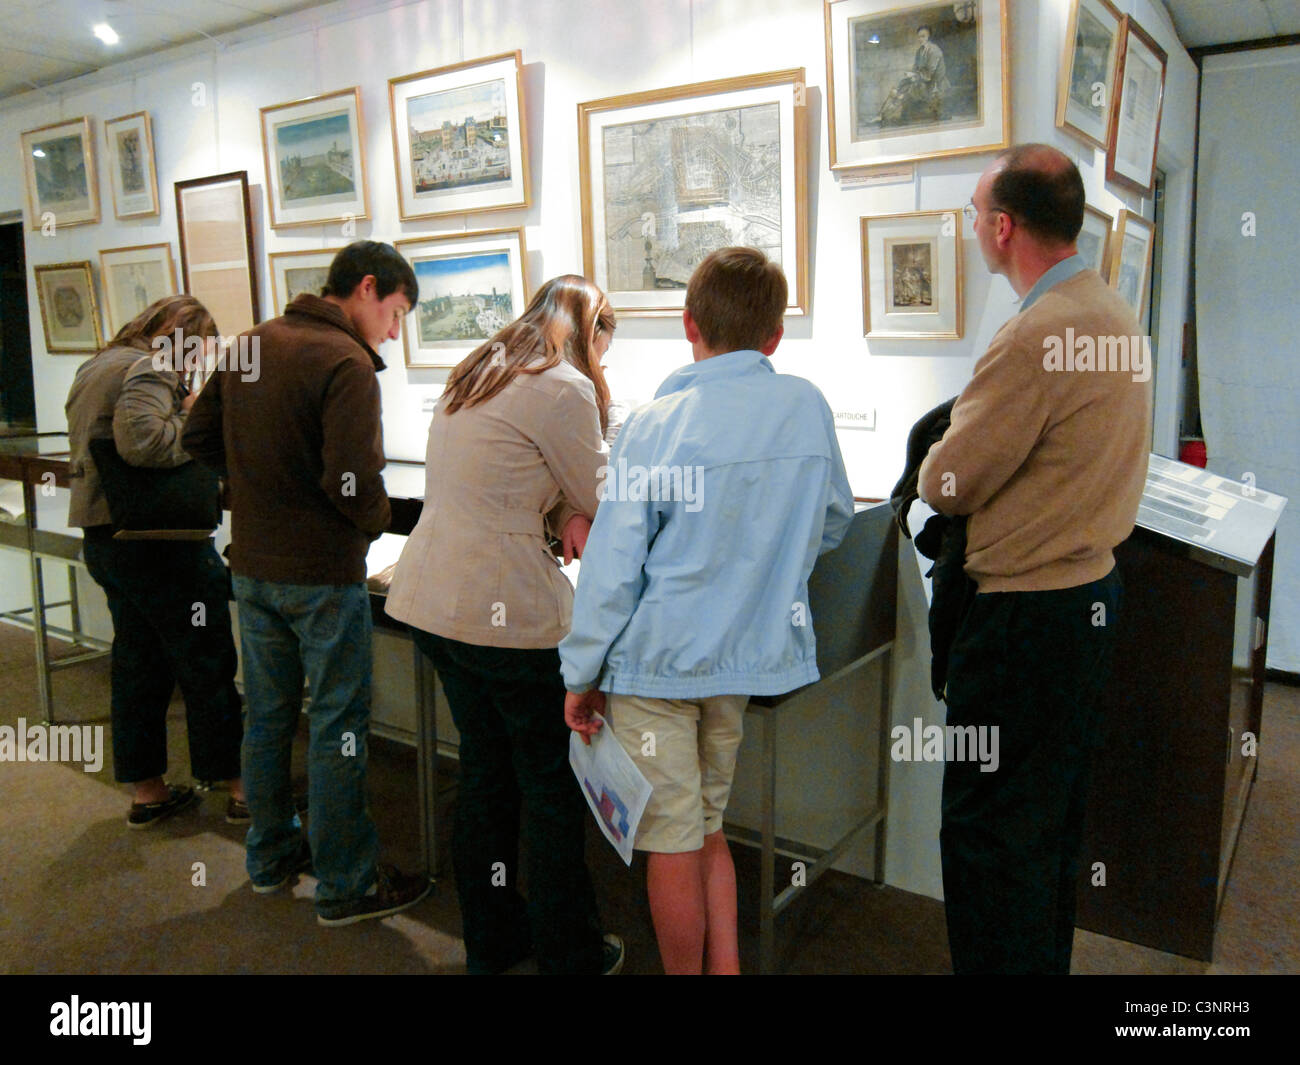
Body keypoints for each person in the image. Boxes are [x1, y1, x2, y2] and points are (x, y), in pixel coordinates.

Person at [561, 247, 855, 974]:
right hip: (741, 661)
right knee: (710, 826)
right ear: (775, 335)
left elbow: (612, 570)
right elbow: (834, 519)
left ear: (689, 322)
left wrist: (580, 673)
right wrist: (765, 568)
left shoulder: (656, 424)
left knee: (671, 841)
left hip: (657, 664)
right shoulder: (807, 407)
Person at [919, 144, 1151, 973]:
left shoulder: (1034, 335)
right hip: (1088, 599)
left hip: (1023, 619)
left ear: (1004, 227)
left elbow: (947, 481)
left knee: (986, 833)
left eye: (978, 214)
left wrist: (936, 451)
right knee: (1048, 822)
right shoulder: (1114, 316)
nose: (976, 227)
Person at [182, 241, 430, 924]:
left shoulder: (251, 343)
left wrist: (255, 484)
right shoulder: (346, 361)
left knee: (266, 716)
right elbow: (350, 484)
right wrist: (386, 521)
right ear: (367, 287)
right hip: (321, 573)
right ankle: (346, 882)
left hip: (254, 568)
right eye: (396, 312)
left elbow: (197, 436)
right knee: (337, 726)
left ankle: (269, 858)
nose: (393, 331)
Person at [384, 275, 623, 975]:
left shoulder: (478, 370)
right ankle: (569, 952)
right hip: (505, 615)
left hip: (433, 600)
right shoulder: (565, 385)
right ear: (592, 331)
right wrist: (597, 455)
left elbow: (509, 475)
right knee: (549, 787)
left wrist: (561, 511)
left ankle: (492, 939)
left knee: (486, 773)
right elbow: (603, 494)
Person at [65, 295, 244, 828]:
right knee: (206, 660)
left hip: (108, 538)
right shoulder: (151, 365)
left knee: (138, 663)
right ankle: (241, 788)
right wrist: (196, 416)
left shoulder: (98, 364)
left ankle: (148, 791)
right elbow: (144, 444)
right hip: (161, 543)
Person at [880, 25, 950, 126]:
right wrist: (909, 76)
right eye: (919, 37)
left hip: (935, 84)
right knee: (902, 84)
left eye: (923, 36)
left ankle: (901, 116)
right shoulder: (919, 51)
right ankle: (885, 114)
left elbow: (929, 74)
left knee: (910, 89)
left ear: (929, 37)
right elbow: (915, 69)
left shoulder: (935, 51)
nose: (920, 39)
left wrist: (914, 76)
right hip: (923, 80)